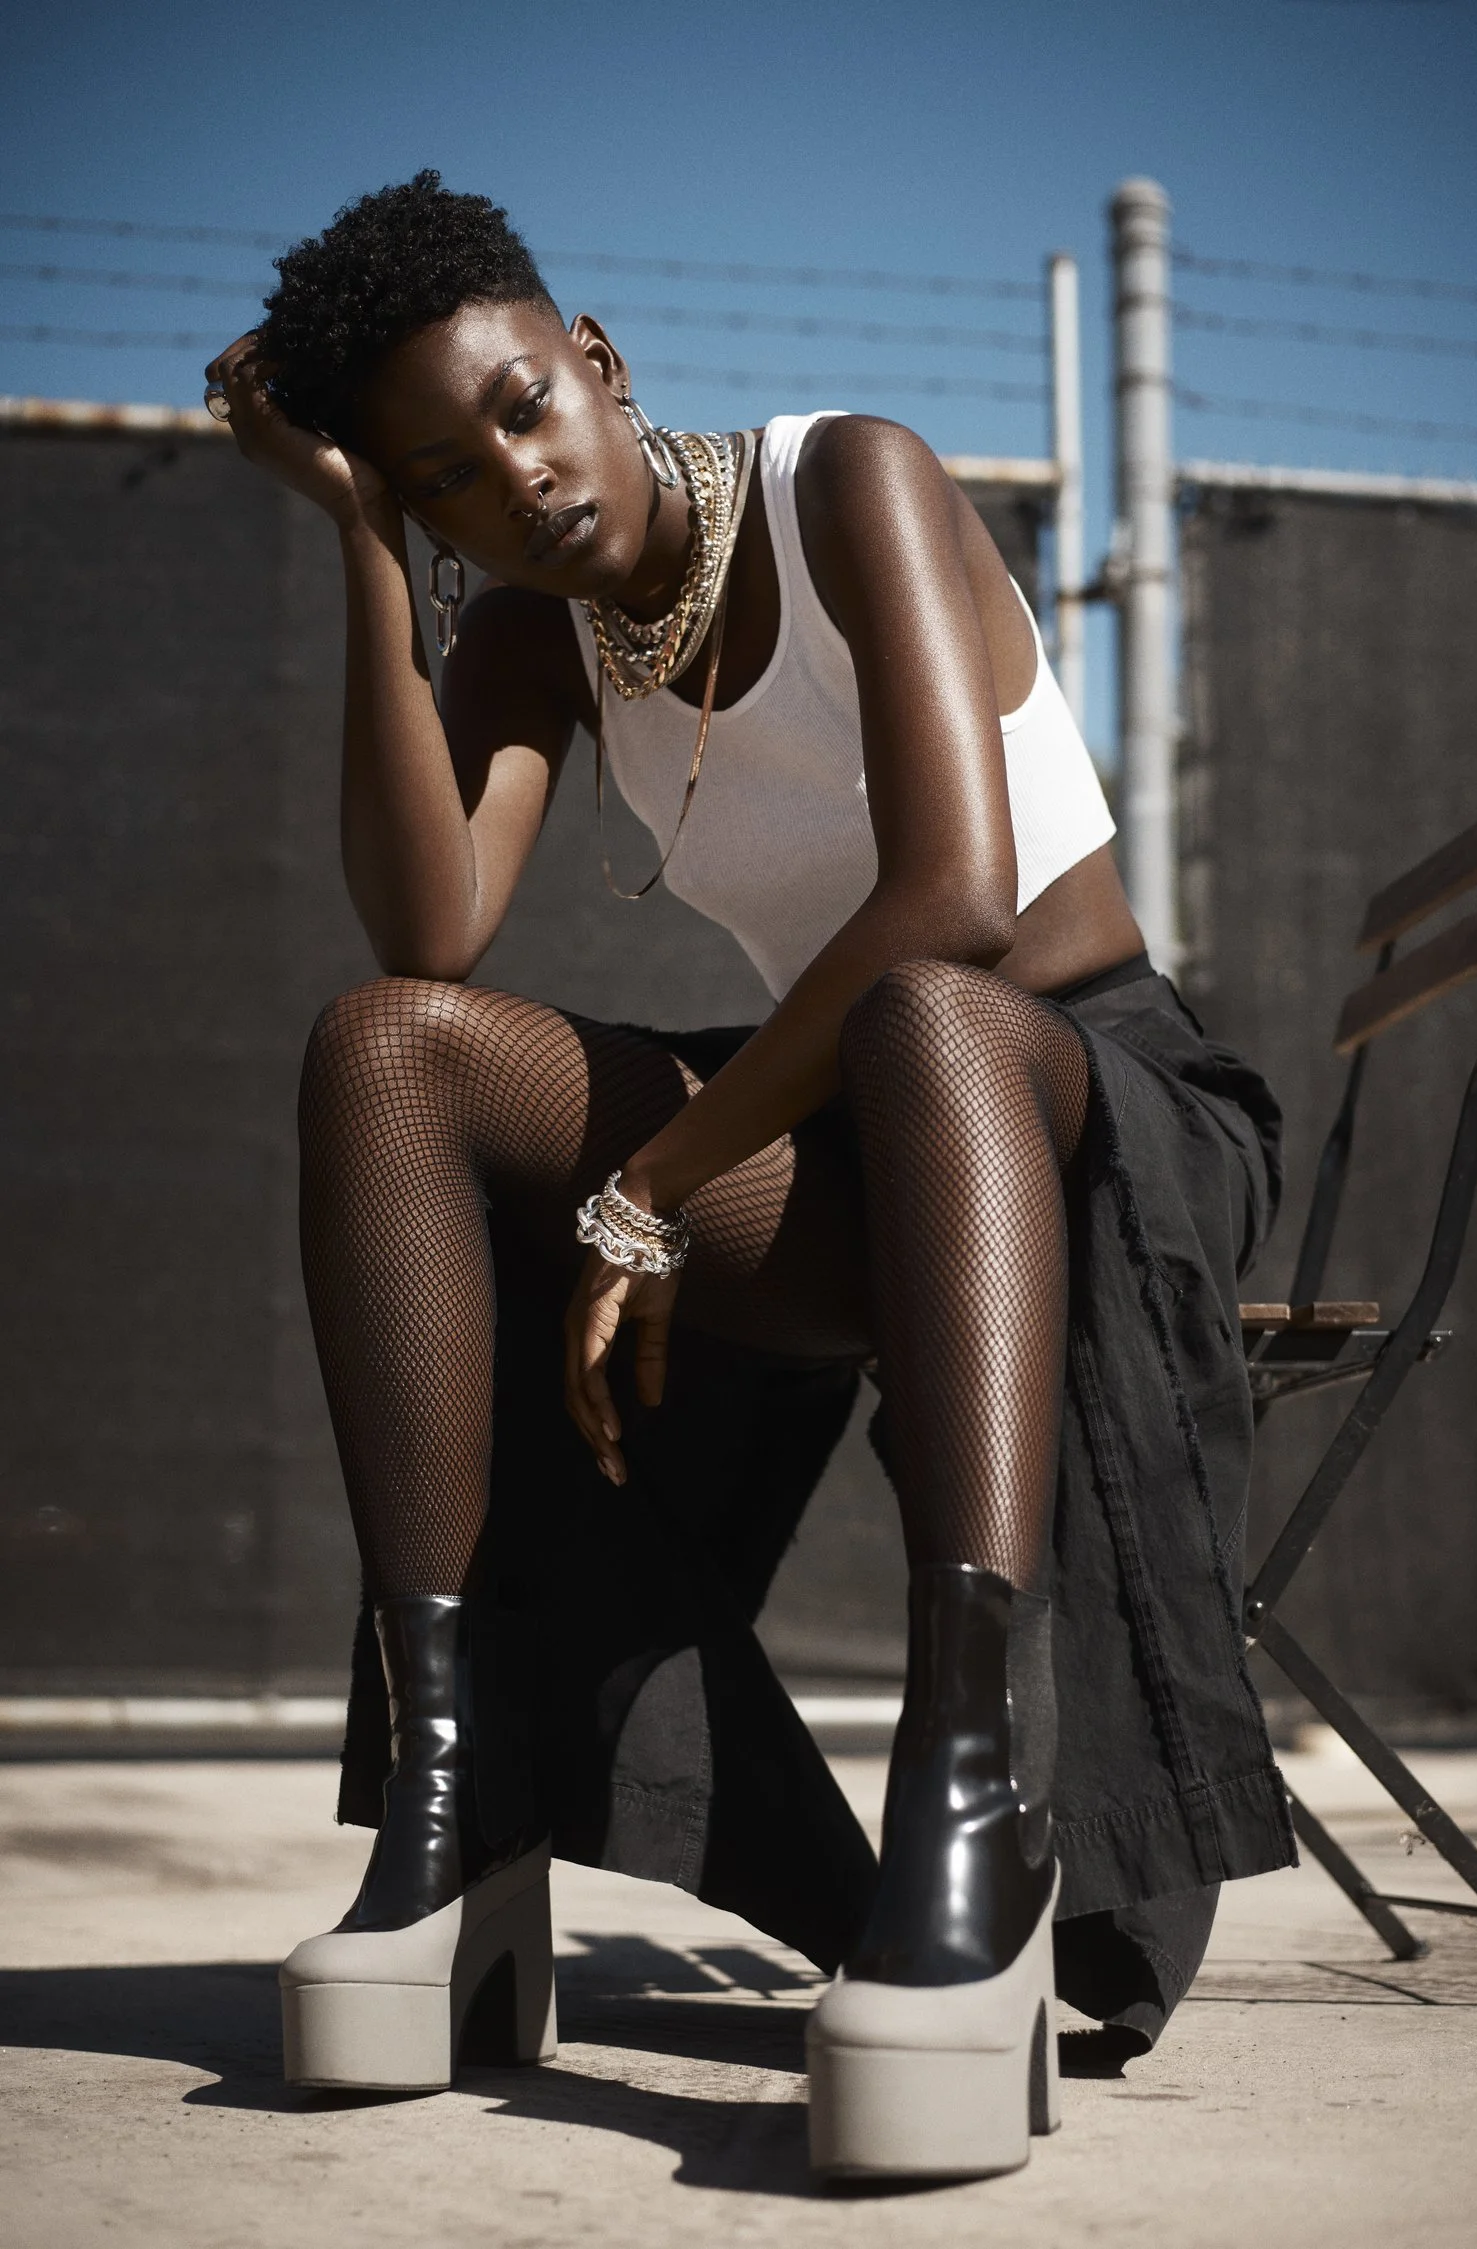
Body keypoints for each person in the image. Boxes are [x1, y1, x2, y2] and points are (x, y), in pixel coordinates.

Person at [206, 171, 1293, 2179]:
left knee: (932, 1015)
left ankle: (968, 1830)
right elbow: (430, 932)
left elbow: (955, 898)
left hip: (1093, 1110)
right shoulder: (532, 631)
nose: (517, 483)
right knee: (388, 1051)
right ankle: (454, 1817)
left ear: (597, 359)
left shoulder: (847, 481)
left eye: (524, 408)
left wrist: (651, 1189)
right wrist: (359, 536)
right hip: (868, 1145)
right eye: (444, 479)